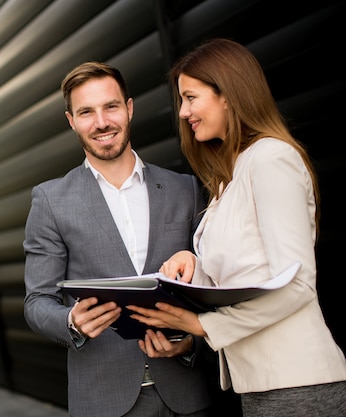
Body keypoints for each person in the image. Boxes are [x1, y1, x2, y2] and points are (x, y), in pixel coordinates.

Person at [127, 38, 346, 417]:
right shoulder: (231, 178)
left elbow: (296, 284)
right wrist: (194, 261)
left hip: (296, 382)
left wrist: (201, 324)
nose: (183, 112)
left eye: (191, 97)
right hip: (261, 383)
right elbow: (246, 269)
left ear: (227, 94)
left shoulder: (271, 159)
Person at [23, 61, 237, 417]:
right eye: (86, 112)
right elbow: (37, 302)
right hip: (104, 399)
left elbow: (213, 286)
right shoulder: (50, 200)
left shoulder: (185, 190)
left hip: (188, 395)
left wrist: (189, 344)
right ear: (71, 121)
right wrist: (71, 321)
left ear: (129, 108)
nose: (102, 122)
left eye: (110, 106)